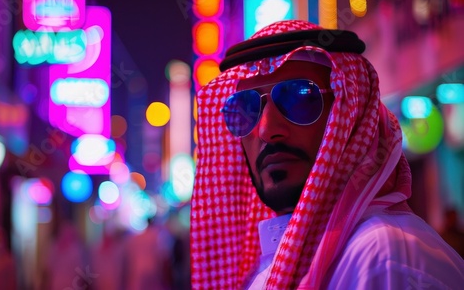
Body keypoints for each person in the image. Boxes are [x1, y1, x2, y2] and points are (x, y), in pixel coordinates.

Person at [190, 20, 464, 289]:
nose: (266, 130)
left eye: (300, 98)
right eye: (247, 108)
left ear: (350, 116)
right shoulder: (272, 267)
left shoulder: (383, 258)